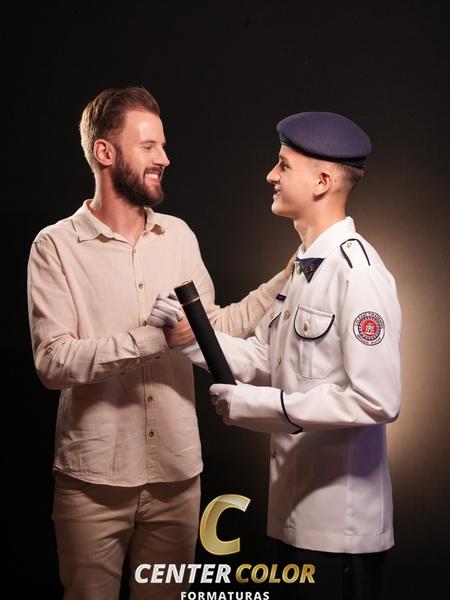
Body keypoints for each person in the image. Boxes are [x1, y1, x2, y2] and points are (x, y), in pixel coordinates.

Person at [27, 86, 294, 600]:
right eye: (148, 146)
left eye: (163, 146)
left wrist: (285, 278)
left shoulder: (179, 236)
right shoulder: (54, 246)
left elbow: (215, 330)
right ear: (105, 152)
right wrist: (153, 339)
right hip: (92, 486)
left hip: (178, 478)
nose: (164, 158)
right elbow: (53, 361)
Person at [157, 111, 402, 599]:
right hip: (291, 516)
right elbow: (265, 355)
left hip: (338, 532)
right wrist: (189, 338)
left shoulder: (358, 274)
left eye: (283, 165)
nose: (271, 175)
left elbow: (378, 400)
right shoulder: (306, 268)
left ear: (322, 182)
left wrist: (261, 406)